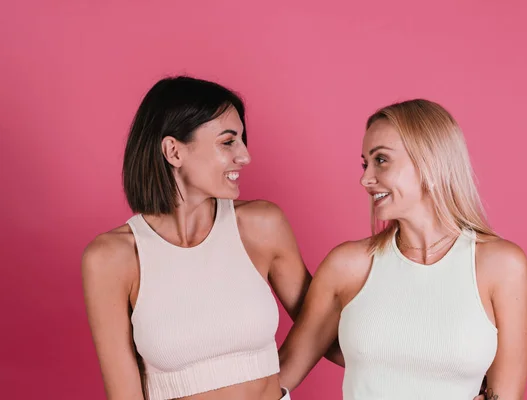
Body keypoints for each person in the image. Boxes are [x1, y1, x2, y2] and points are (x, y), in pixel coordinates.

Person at [81, 76, 341, 400]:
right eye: (228, 142)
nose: (244, 156)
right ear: (173, 151)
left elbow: (323, 330)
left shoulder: (261, 226)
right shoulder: (112, 258)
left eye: (242, 141)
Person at [278, 99, 527, 400]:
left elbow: (506, 395)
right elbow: (280, 376)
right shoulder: (349, 265)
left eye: (381, 160)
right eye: (365, 163)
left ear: (430, 163)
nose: (365, 178)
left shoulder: (501, 266)